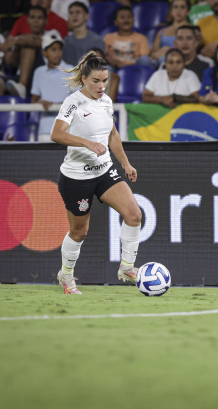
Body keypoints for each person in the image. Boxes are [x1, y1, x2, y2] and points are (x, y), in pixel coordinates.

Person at [51, 50, 142, 294]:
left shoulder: (106, 102)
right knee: (79, 232)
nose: (102, 86)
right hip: (76, 177)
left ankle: (126, 267)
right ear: (84, 79)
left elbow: (112, 135)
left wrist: (125, 163)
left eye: (105, 81)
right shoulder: (73, 102)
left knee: (134, 214)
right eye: (96, 81)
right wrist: (87, 142)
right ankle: (66, 275)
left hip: (104, 172)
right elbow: (56, 134)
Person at [0, 5, 49, 99]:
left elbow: (37, 42)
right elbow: (13, 64)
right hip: (21, 76)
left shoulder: (52, 34)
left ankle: (22, 86)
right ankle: (1, 112)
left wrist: (17, 41)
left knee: (28, 47)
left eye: (39, 18)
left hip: (42, 76)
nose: (36, 21)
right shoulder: (21, 39)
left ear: (45, 21)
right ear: (28, 20)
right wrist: (17, 47)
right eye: (32, 17)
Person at [31, 30, 74, 142]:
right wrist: (40, 103)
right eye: (53, 49)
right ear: (44, 52)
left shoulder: (71, 70)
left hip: (68, 129)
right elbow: (33, 100)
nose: (58, 53)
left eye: (59, 49)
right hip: (44, 130)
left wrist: (57, 105)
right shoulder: (39, 72)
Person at [142, 0, 191, 68]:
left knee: (165, 59)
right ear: (171, 11)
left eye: (182, 7)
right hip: (158, 59)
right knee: (143, 59)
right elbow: (153, 52)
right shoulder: (162, 31)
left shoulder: (191, 30)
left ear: (188, 11)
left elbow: (190, 50)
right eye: (175, 7)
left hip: (176, 60)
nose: (178, 10)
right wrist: (157, 54)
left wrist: (169, 51)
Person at [62, 1, 105, 66]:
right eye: (71, 13)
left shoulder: (97, 41)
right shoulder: (65, 42)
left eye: (78, 12)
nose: (74, 15)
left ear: (86, 16)